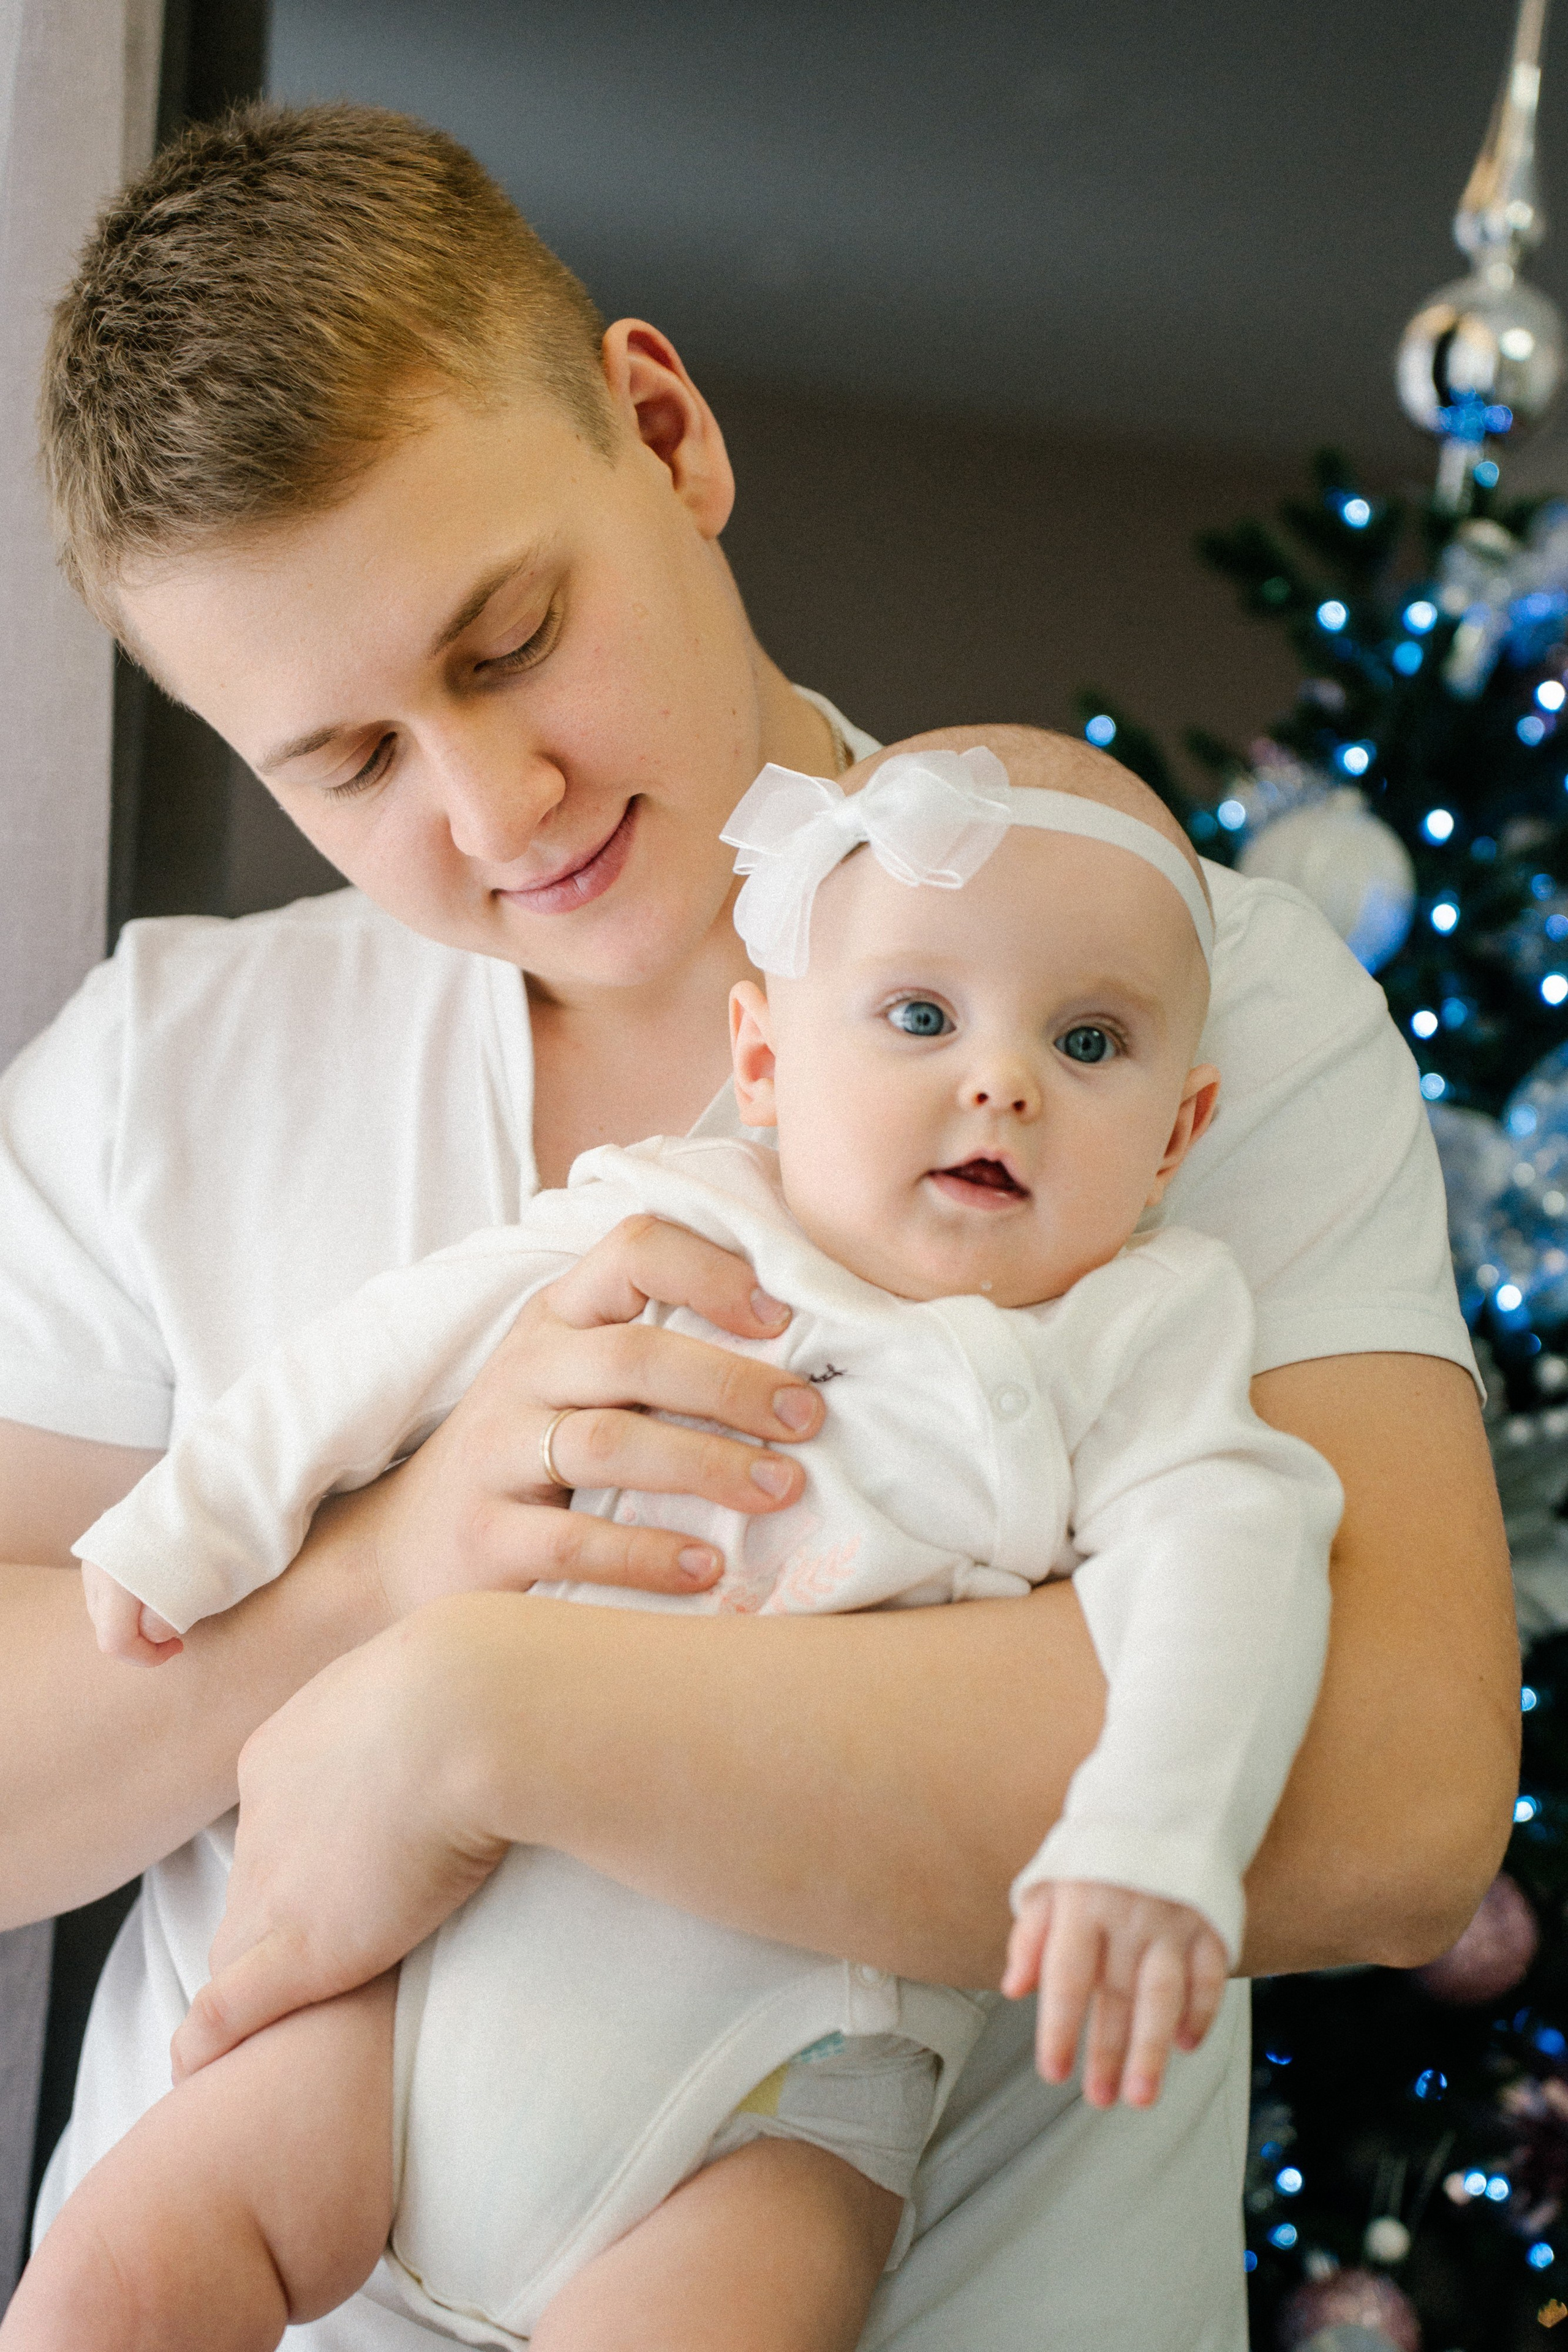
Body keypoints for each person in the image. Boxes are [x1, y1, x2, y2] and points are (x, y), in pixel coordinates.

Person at [0, 100, 1516, 2352]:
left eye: (510, 641)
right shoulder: (161, 1073)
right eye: (346, 765)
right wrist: (390, 1575)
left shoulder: (1141, 999)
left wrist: (476, 1714)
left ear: (663, 426)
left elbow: (1386, 1791)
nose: (488, 805)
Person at [15, 732, 1341, 2352]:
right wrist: (194, 1522)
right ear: (767, 1061)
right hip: (419, 1986)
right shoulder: (680, 1213)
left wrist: (1154, 1837)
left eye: (1088, 1041)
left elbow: (1232, 1551)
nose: (1001, 1082)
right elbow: (394, 1346)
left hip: (778, 2087)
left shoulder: (1131, 1332)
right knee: (119, 2276)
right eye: (919, 1016)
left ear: (1178, 1136)